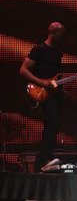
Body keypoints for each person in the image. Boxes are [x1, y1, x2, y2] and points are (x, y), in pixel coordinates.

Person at [19, 21, 66, 172]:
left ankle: (46, 159)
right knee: (53, 122)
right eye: (61, 33)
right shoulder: (39, 50)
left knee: (53, 124)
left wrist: (61, 89)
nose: (63, 36)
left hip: (54, 94)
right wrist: (41, 82)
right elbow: (23, 70)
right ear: (54, 32)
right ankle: (44, 158)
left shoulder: (58, 52)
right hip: (41, 92)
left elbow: (55, 77)